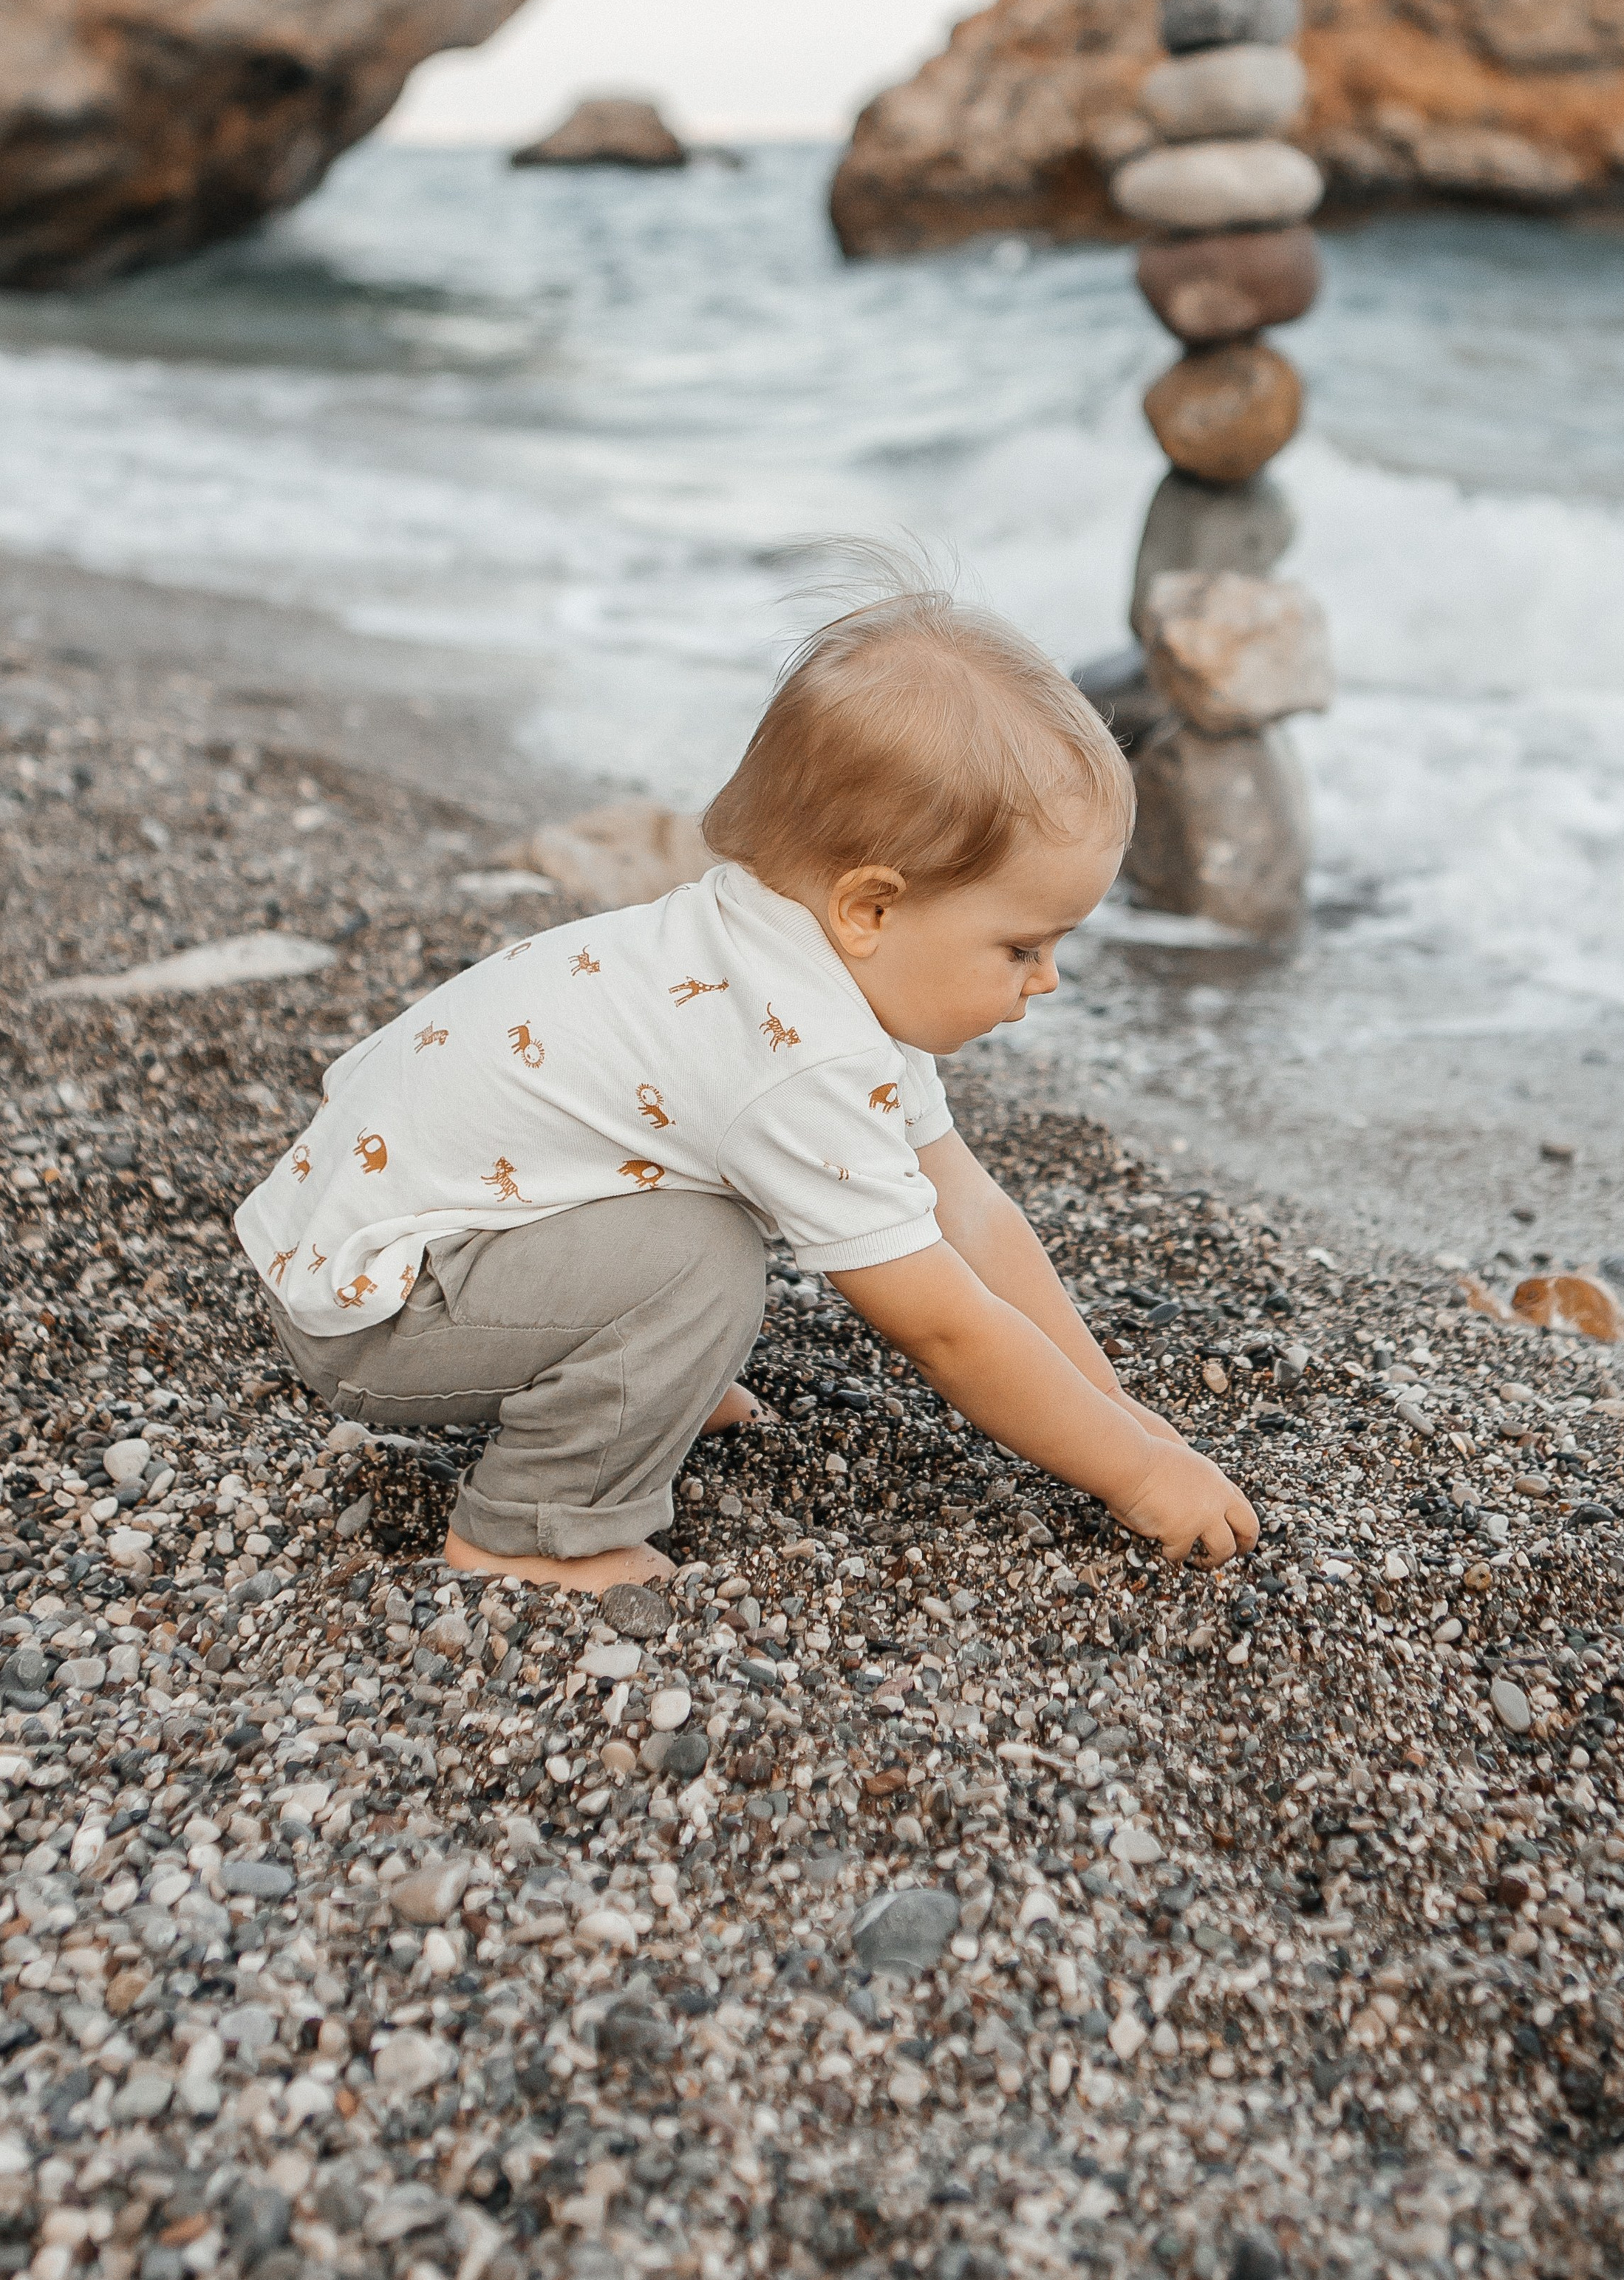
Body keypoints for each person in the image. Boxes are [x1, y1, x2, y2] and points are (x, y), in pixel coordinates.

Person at [235, 570, 1259, 1593]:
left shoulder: (794, 953)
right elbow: (944, 1323)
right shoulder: (799, 1050)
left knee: (691, 1239)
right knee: (705, 1258)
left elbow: (972, 1214)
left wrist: (1117, 1407)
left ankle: (633, 1375)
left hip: (390, 1226)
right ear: (871, 909)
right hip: (376, 1309)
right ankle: (534, 1532)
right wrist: (1132, 1477)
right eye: (1022, 946)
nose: (1049, 978)